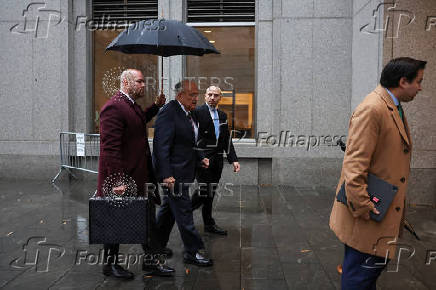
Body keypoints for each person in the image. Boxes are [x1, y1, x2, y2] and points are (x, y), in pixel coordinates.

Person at [329, 57, 426, 289]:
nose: (420, 88)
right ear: (403, 81)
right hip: (368, 215)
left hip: (378, 211)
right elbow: (354, 165)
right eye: (419, 82)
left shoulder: (390, 104)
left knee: (367, 274)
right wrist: (364, 207)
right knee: (359, 276)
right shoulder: (373, 108)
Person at [96, 69, 174, 279]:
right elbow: (110, 148)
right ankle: (110, 265)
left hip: (139, 175)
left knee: (146, 219)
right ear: (125, 82)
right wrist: (117, 180)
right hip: (123, 178)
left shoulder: (130, 105)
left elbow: (138, 120)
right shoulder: (113, 107)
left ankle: (151, 262)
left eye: (143, 82)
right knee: (115, 221)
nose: (143, 85)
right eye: (139, 81)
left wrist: (156, 106)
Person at [153, 80, 213, 267]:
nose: (196, 98)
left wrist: (200, 157)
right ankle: (192, 252)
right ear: (180, 95)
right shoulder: (168, 113)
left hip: (185, 170)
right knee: (184, 212)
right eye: (191, 95)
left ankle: (156, 247)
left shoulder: (189, 113)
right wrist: (166, 175)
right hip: (173, 175)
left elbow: (191, 142)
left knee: (168, 213)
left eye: (196, 94)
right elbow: (160, 147)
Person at [192, 85, 240, 235]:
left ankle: (208, 224)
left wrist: (233, 159)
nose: (212, 98)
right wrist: (199, 156)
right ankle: (183, 211)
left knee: (210, 193)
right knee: (204, 190)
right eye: (210, 95)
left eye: (216, 95)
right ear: (205, 96)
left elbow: (226, 139)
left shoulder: (223, 115)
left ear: (220, 98)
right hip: (203, 160)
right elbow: (192, 137)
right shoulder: (197, 113)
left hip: (217, 161)